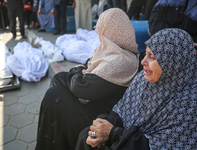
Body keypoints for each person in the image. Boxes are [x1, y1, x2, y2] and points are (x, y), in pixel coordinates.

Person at [35, 8, 139, 150]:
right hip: (95, 98)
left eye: (101, 28)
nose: (98, 33)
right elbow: (89, 63)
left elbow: (81, 87)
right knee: (59, 80)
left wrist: (77, 69)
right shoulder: (113, 50)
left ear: (110, 30)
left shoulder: (122, 60)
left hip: (101, 113)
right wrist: (79, 70)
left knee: (54, 96)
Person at [77, 28, 197, 149]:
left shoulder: (189, 103)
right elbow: (122, 111)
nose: (143, 62)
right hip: (126, 137)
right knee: (86, 137)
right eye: (146, 54)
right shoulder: (143, 80)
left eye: (152, 57)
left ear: (173, 63)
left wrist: (113, 133)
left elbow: (159, 146)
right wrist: (99, 127)